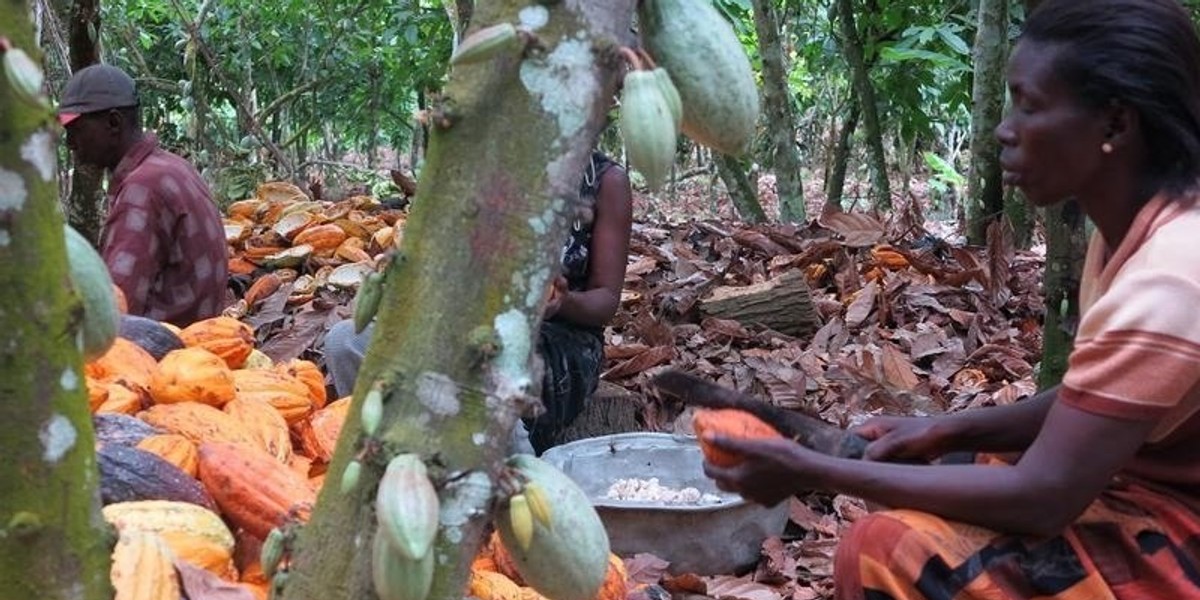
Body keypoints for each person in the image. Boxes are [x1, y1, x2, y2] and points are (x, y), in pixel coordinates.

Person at [702, 1, 1200, 597]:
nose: (1005, 129)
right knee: (940, 468)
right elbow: (1095, 406)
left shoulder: (1170, 272)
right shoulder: (1131, 230)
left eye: (1031, 105)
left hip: (1180, 525)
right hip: (1136, 486)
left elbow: (1045, 497)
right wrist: (942, 433)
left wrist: (813, 470)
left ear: (1115, 125)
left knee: (885, 552)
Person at [323, 151, 633, 453]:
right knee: (346, 341)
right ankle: (387, 459)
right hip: (468, 324)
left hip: (559, 340)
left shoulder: (606, 181)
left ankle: (517, 475)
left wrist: (561, 303)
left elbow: (605, 300)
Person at [58, 64, 228, 327]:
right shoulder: (172, 166)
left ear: (113, 123)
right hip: (198, 342)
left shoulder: (143, 188)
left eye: (76, 130)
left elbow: (113, 311)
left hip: (168, 355)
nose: (70, 144)